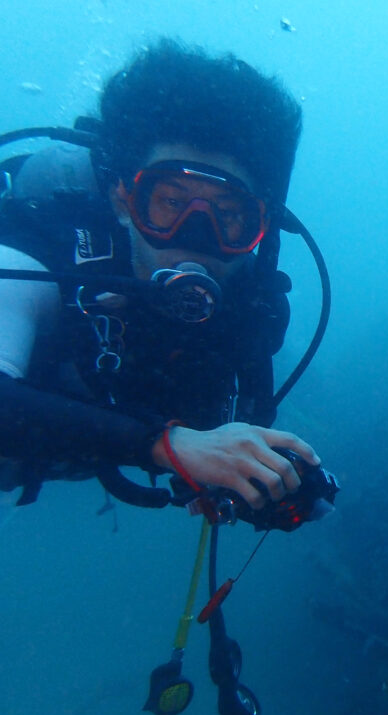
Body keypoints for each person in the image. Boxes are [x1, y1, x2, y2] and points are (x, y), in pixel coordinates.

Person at [0, 38, 321, 510]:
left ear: (259, 229)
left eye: (228, 214)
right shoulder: (38, 253)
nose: (195, 236)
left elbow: (241, 430)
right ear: (122, 200)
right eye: (170, 201)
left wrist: (257, 483)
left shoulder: (252, 309)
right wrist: (167, 446)